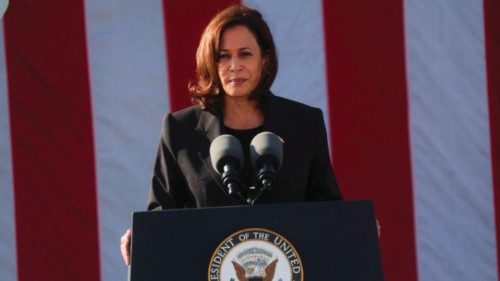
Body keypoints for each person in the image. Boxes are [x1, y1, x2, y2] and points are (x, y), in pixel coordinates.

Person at [120, 4, 343, 265]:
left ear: (265, 60)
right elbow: (161, 214)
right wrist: (142, 235)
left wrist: (356, 226)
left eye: (245, 54)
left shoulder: (304, 124)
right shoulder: (181, 129)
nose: (234, 66)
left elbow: (328, 207)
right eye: (223, 56)